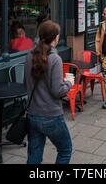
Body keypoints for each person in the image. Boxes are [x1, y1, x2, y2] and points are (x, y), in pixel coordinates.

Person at [24, 20, 73, 164]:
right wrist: (69, 83)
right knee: (65, 150)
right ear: (55, 37)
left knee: (34, 155)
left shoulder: (29, 55)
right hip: (51, 115)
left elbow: (25, 83)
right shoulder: (55, 59)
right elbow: (57, 91)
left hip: (32, 114)